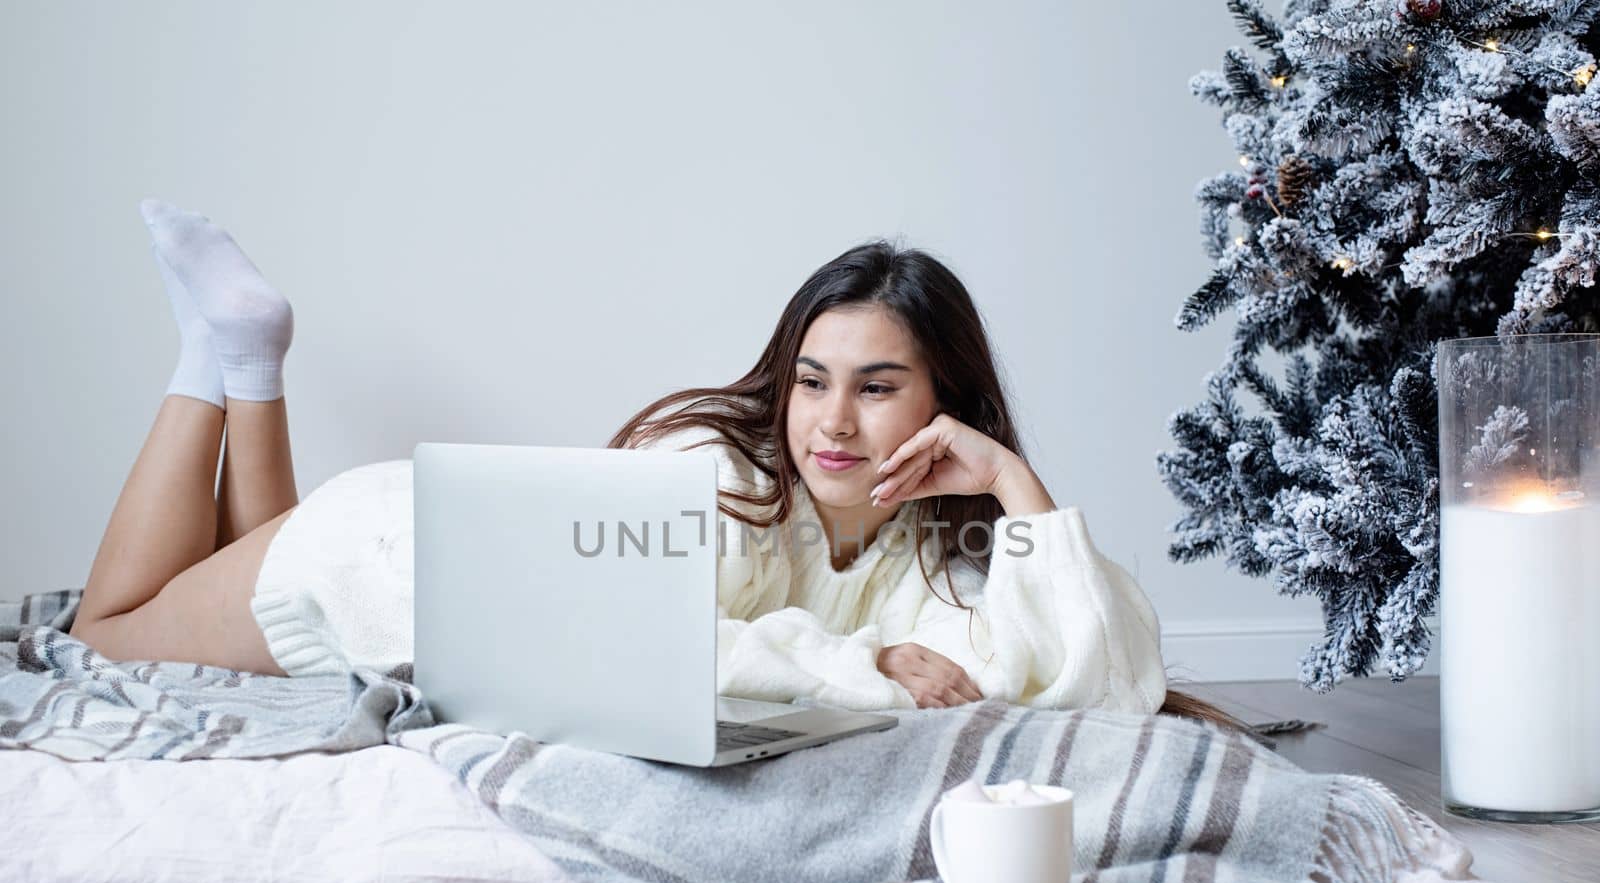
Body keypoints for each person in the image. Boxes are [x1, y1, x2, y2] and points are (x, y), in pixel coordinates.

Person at [69, 200, 1248, 733]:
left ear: (947, 402)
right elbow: (643, 653)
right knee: (104, 634)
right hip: (393, 561)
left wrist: (1013, 487)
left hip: (422, 587)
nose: (831, 423)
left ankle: (241, 349)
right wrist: (860, 658)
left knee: (221, 582)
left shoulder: (933, 534)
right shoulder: (710, 471)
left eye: (878, 387)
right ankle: (207, 351)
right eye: (811, 378)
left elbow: (1094, 679)